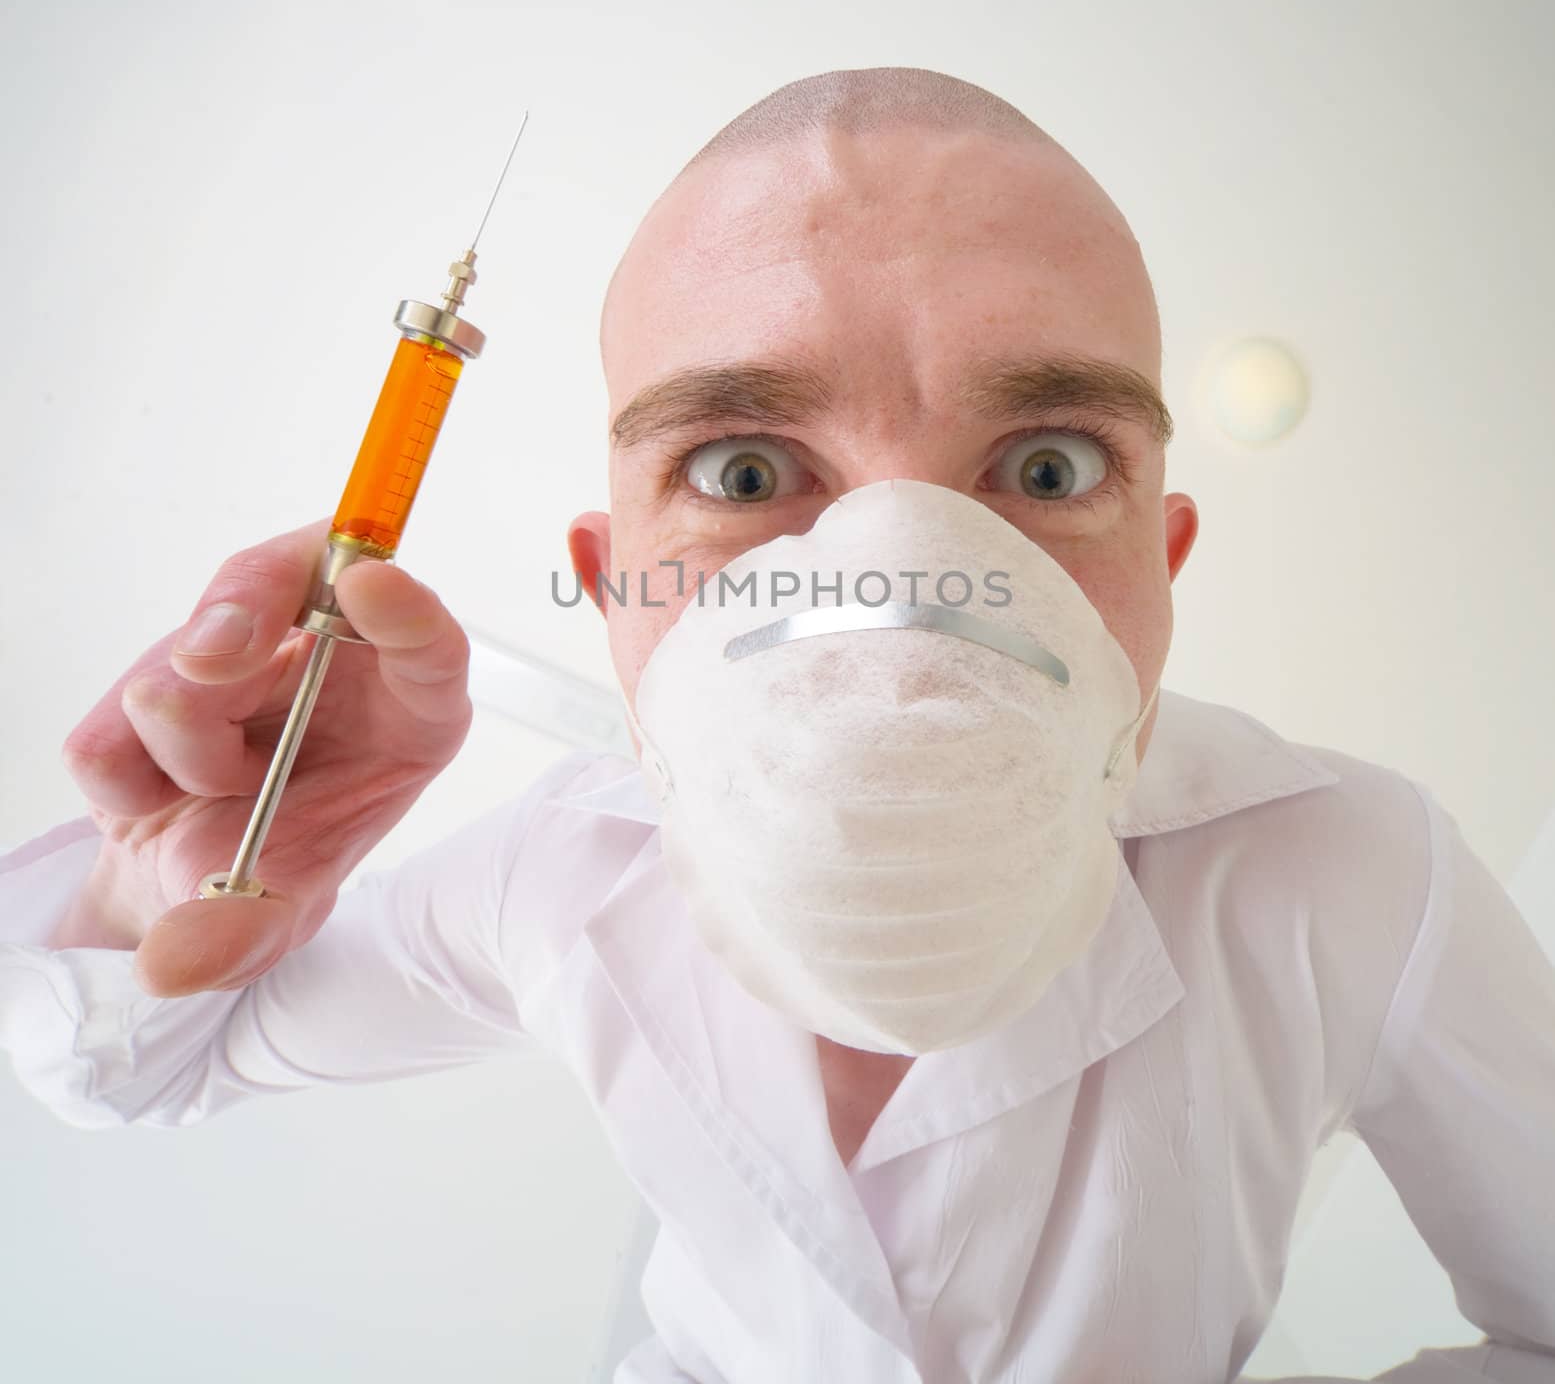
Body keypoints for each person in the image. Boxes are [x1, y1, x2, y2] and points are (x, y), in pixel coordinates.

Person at [3, 68, 1553, 1384]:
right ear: (617, 598)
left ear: (1159, 570)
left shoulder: (1355, 879)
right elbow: (141, 1062)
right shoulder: (565, 875)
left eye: (1050, 469)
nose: (903, 594)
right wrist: (190, 872)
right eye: (747, 472)